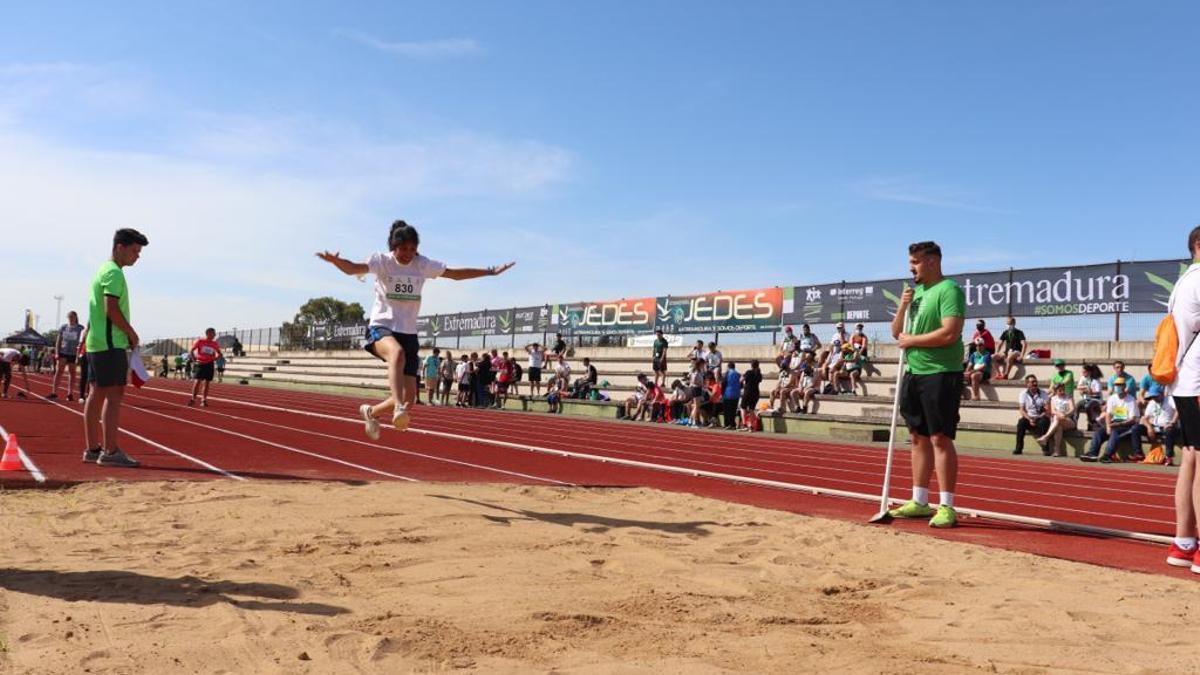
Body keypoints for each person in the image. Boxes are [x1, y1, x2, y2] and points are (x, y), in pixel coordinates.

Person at [317, 220, 514, 438]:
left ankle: (372, 412)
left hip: (408, 332)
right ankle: (398, 407)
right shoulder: (382, 261)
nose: (407, 253)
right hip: (382, 326)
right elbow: (353, 268)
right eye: (403, 249)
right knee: (397, 354)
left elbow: (454, 274)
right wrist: (335, 261)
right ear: (394, 246)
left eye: (412, 249)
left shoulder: (422, 264)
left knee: (411, 397)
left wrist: (489, 272)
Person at [887, 241, 965, 528]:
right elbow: (897, 333)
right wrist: (903, 306)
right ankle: (919, 500)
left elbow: (950, 333)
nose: (911, 268)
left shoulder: (949, 290)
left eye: (916, 262)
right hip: (914, 372)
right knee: (917, 437)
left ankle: (947, 505)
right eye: (910, 262)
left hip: (942, 372)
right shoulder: (916, 293)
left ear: (932, 262)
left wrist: (912, 341)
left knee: (940, 438)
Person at [83, 228, 149, 467]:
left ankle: (92, 448)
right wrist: (131, 332)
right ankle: (110, 452)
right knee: (113, 395)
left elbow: (98, 309)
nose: (137, 256)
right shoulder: (114, 274)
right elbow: (110, 308)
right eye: (134, 250)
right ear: (120, 247)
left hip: (96, 342)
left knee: (96, 394)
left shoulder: (103, 269)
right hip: (110, 343)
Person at [1080, 377, 1142, 463]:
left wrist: (1119, 425)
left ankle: (1107, 455)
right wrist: (1108, 426)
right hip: (1113, 424)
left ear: (1124, 386)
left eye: (1120, 385)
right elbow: (1108, 414)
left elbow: (1132, 419)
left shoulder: (1131, 400)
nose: (1117, 387)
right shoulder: (1112, 398)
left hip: (1126, 426)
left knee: (1115, 432)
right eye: (1116, 385)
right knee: (1099, 432)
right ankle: (1092, 453)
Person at [48, 310, 85, 401]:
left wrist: (79, 354)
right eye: (69, 317)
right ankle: (54, 392)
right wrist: (57, 352)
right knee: (59, 372)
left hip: (74, 353)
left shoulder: (80, 328)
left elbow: (83, 341)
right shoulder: (63, 327)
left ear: (76, 317)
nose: (71, 319)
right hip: (63, 352)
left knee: (72, 373)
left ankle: (70, 394)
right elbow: (59, 341)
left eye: (72, 317)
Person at [1037, 382, 1077, 457]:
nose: (1062, 392)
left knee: (1057, 419)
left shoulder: (1069, 397)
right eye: (1060, 390)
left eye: (1063, 390)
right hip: (1058, 420)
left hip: (1069, 420)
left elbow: (1072, 409)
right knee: (1058, 426)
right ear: (1055, 391)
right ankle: (1057, 451)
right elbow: (1053, 411)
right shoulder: (1053, 399)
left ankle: (1046, 437)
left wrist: (1065, 414)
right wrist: (1059, 414)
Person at [1014, 375, 1050, 456]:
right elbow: (1022, 410)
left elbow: (1048, 410)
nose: (1035, 383)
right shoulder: (1023, 394)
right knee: (1021, 423)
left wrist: (1038, 417)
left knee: (1044, 421)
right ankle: (1018, 448)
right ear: (1027, 384)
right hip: (1029, 417)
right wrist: (1029, 419)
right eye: (1032, 382)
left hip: (1040, 417)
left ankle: (1046, 449)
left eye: (1035, 381)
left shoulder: (1043, 393)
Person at [1142, 386, 1178, 466]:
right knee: (1136, 429)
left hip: (1166, 426)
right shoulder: (1152, 402)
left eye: (1156, 396)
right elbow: (1145, 418)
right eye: (1152, 397)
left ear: (1162, 394)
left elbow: (1178, 410)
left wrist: (1172, 422)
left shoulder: (1170, 399)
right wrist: (1149, 427)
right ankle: (1138, 454)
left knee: (1169, 431)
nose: (1154, 398)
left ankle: (1169, 457)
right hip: (1154, 426)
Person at [188, 327, 224, 407]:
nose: (215, 335)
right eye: (213, 333)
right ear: (208, 333)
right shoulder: (200, 341)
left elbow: (219, 353)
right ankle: (193, 399)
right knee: (197, 381)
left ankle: (203, 400)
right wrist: (194, 360)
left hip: (209, 364)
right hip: (200, 363)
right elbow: (191, 350)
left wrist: (214, 358)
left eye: (215, 333)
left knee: (207, 382)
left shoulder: (214, 343)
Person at [1078, 363, 1106, 430]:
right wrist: (1085, 389)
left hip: (1096, 399)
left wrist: (1088, 391)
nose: (1082, 373)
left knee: (1088, 406)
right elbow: (1079, 387)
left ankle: (1091, 423)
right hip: (1087, 398)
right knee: (1077, 406)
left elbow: (1097, 391)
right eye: (1082, 372)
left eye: (1084, 372)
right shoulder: (1083, 378)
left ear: (1089, 372)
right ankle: (1074, 423)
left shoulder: (1095, 380)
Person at [739, 359, 763, 431]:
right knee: (752, 409)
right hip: (755, 393)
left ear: (751, 365)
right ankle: (751, 426)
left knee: (743, 407)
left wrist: (742, 382)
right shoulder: (759, 374)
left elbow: (741, 380)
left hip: (748, 392)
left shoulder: (748, 372)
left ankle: (744, 424)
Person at [722, 362, 741, 430]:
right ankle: (732, 424)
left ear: (728, 367)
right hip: (736, 394)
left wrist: (722, 393)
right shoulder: (738, 374)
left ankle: (727, 424)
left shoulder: (727, 373)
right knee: (733, 410)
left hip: (728, 394)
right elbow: (741, 384)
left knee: (727, 410)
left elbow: (724, 383)